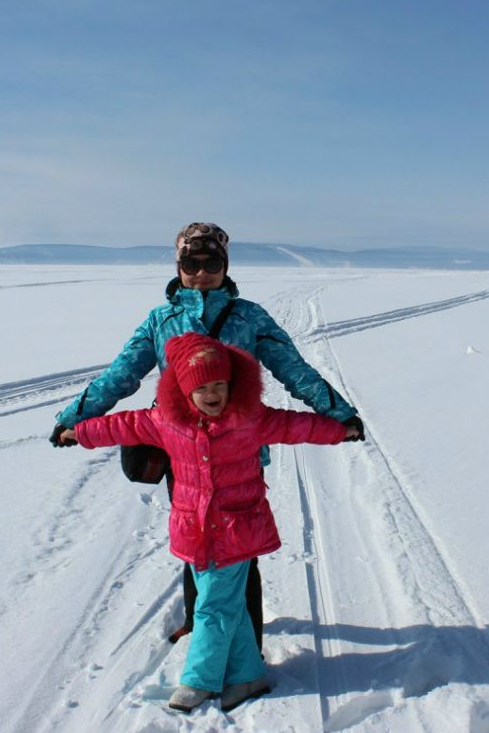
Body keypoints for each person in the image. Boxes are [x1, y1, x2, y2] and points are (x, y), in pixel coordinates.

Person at [50, 222, 364, 650]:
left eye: (210, 263)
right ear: (178, 265)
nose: (201, 273)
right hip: (182, 450)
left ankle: (247, 640)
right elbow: (121, 375)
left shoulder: (249, 317)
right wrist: (75, 418)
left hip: (239, 451)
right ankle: (200, 627)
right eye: (190, 263)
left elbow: (294, 370)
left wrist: (339, 415)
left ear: (225, 265)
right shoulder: (161, 321)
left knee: (239, 545)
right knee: (195, 535)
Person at [61, 333, 360, 712]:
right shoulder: (165, 422)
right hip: (194, 529)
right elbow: (122, 425)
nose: (213, 393)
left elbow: (296, 426)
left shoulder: (250, 418)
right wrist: (80, 432)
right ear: (184, 391)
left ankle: (198, 680)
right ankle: (248, 676)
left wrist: (340, 430)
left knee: (212, 608)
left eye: (219, 383)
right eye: (202, 386)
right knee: (224, 606)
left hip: (237, 528)